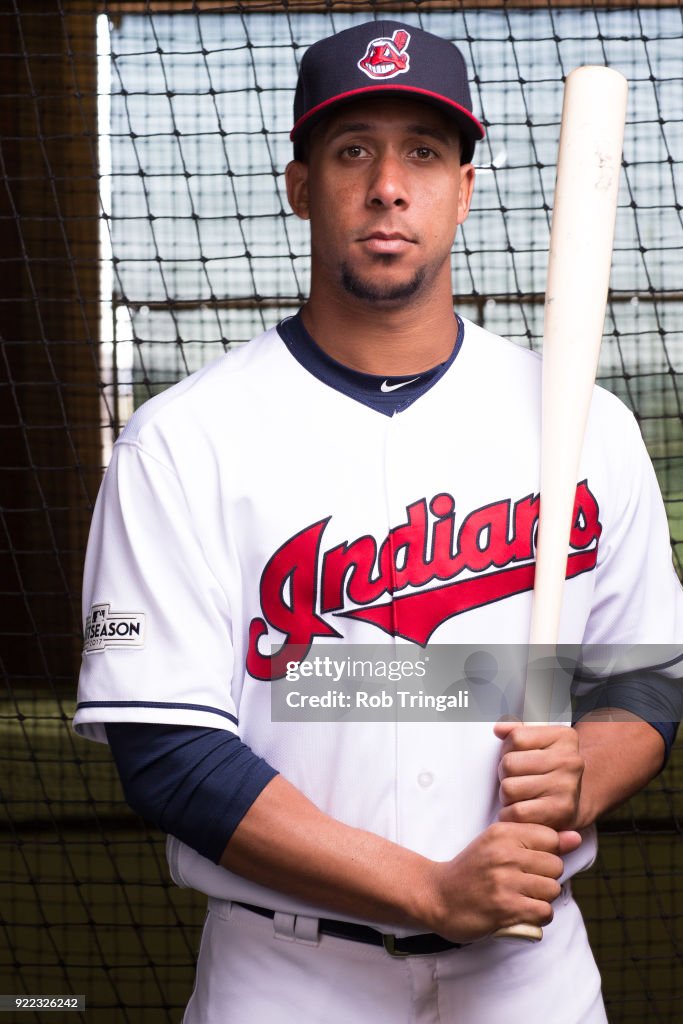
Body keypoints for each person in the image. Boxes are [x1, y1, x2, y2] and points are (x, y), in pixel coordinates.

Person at [74, 20, 682, 1024]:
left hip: (531, 972)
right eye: (351, 150)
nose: (387, 184)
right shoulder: (181, 440)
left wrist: (581, 771)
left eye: (423, 152)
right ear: (299, 185)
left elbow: (644, 679)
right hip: (288, 975)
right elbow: (167, 749)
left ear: (463, 189)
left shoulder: (585, 425)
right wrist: (429, 890)